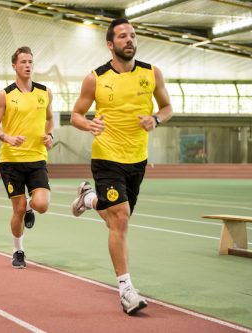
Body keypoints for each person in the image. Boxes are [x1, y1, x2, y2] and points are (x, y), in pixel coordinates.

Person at [70, 18, 172, 315]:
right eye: (123, 36)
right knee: (121, 219)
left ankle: (88, 199)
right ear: (110, 44)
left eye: (133, 35)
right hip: (106, 156)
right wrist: (88, 123)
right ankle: (126, 289)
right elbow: (76, 114)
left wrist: (156, 119)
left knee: (116, 219)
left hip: (137, 159)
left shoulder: (152, 73)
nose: (130, 40)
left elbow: (167, 107)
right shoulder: (95, 78)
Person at [0, 46, 54, 269]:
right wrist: (6, 137)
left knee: (42, 205)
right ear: (14, 66)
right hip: (11, 161)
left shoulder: (45, 92)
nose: (28, 65)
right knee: (17, 208)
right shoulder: (5, 95)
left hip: (37, 158)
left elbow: (50, 119)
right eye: (23, 62)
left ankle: (30, 208)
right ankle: (18, 251)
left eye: (30, 62)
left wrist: (50, 134)